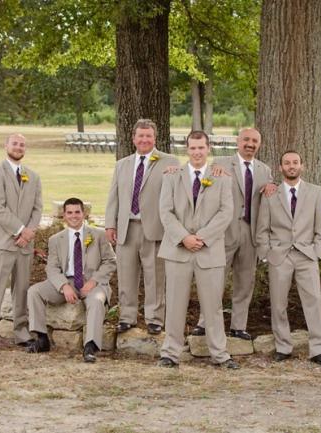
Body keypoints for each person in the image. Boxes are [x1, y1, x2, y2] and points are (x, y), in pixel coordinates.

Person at [157, 130, 238, 369]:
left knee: (212, 306)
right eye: (192, 148)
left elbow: (226, 212)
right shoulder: (172, 177)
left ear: (208, 149)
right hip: (177, 250)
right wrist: (184, 238)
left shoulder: (222, 177)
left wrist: (200, 237)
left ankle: (220, 354)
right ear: (186, 149)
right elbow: (165, 212)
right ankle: (170, 353)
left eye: (201, 148)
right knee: (174, 304)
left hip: (209, 250)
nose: (197, 152)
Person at [191, 128, 275, 340]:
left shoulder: (265, 170)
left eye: (255, 141)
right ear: (238, 142)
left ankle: (239, 326)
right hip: (223, 231)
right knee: (215, 279)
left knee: (245, 281)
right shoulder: (219, 163)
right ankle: (205, 322)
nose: (250, 144)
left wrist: (272, 186)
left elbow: (268, 198)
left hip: (250, 231)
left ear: (259, 144)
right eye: (246, 139)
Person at [255, 150, 321, 367]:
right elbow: (262, 230)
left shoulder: (315, 192)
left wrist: (317, 252)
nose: (291, 166)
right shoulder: (271, 195)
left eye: (295, 162)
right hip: (280, 256)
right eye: (287, 163)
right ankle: (283, 346)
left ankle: (318, 349)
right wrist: (267, 255)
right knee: (278, 303)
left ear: (302, 166)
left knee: (314, 302)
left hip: (307, 254)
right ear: (280, 168)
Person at [104, 119, 179, 335]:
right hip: (126, 228)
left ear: (155, 138)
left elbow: (177, 195)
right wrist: (110, 224)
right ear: (133, 138)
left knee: (155, 276)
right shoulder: (122, 164)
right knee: (126, 275)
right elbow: (113, 197)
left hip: (155, 228)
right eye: (141, 136)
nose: (144, 139)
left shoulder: (169, 162)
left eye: (148, 136)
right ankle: (127, 317)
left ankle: (154, 318)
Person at [26, 198, 115, 363]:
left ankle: (90, 346)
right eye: (69, 213)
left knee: (96, 301)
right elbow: (52, 268)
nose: (74, 216)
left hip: (92, 283)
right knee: (34, 292)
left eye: (77, 212)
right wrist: (63, 285)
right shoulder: (55, 240)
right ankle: (42, 338)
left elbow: (110, 262)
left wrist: (94, 281)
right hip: (68, 281)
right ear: (64, 216)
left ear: (84, 214)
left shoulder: (99, 235)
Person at [0, 133, 42, 352]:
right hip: (1, 242)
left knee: (21, 290)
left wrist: (29, 233)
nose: (18, 147)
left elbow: (37, 208)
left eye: (22, 144)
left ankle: (21, 333)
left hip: (24, 245)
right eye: (15, 143)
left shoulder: (33, 176)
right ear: (6, 146)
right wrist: (21, 229)